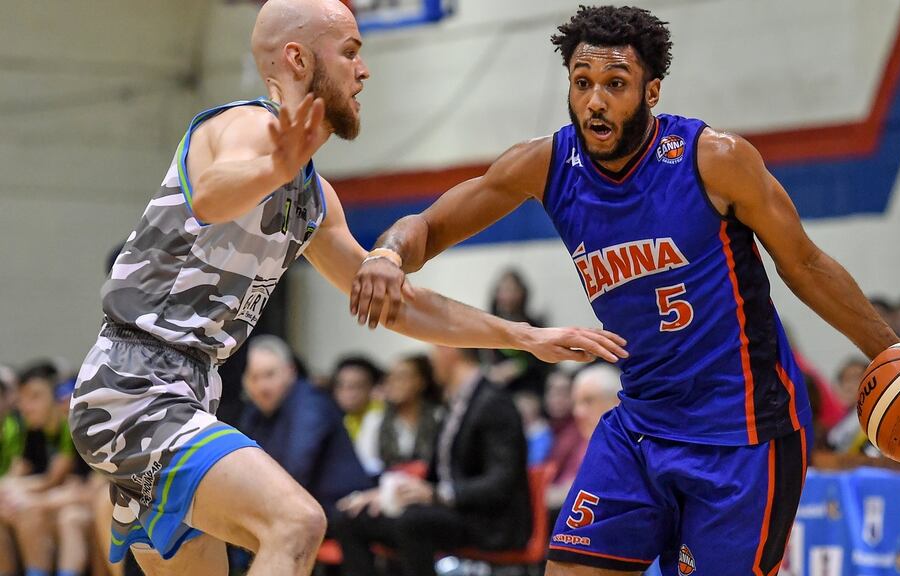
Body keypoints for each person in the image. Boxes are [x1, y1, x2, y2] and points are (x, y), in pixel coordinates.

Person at [68, 1, 627, 574]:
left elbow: (394, 304)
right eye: (352, 52)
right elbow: (211, 193)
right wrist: (271, 166)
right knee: (296, 523)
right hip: (136, 384)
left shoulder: (314, 198)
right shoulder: (243, 125)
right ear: (297, 58)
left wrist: (523, 335)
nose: (364, 71)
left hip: (187, 391)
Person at [349, 6, 900, 574]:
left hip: (744, 431)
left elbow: (804, 263)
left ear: (651, 91)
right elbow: (431, 225)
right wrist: (389, 254)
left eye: (615, 85)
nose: (595, 101)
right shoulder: (545, 165)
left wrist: (893, 351)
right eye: (583, 83)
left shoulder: (713, 159)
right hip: (640, 425)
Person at [334, 347, 530, 576]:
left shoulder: (494, 402)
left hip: (486, 520)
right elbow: (432, 477)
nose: (432, 360)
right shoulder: (458, 400)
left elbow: (502, 481)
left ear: (451, 351)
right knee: (349, 518)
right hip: (449, 512)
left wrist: (438, 494)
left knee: (412, 522)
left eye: (436, 349)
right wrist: (388, 494)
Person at [238, 335, 372, 512]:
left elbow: (296, 469)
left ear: (290, 371)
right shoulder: (254, 412)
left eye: (269, 375)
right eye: (254, 378)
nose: (262, 386)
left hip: (345, 509)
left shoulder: (310, 402)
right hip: (305, 509)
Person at [0, 363, 92, 576]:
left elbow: (71, 484)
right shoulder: (33, 432)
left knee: (63, 517)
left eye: (35, 397)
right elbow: (20, 473)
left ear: (58, 397)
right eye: (23, 399)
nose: (25, 407)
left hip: (80, 506)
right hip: (58, 502)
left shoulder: (74, 428)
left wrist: (35, 498)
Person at [546, 364, 621, 511]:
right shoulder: (582, 440)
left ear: (617, 402)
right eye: (576, 403)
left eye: (588, 401)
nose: (578, 412)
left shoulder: (630, 450)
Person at [355, 355, 444, 476]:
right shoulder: (376, 419)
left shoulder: (439, 416)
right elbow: (365, 463)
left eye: (402, 377)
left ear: (421, 381)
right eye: (390, 377)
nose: (393, 383)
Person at [480, 269, 552, 397]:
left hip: (528, 388)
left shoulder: (533, 325)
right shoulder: (491, 325)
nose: (507, 296)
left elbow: (542, 362)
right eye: (503, 290)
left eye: (512, 290)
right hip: (499, 389)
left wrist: (518, 366)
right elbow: (484, 361)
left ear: (522, 293)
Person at [332, 356, 385, 440]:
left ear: (374, 388)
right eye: (341, 386)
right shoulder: (342, 418)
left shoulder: (380, 417)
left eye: (357, 386)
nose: (348, 393)